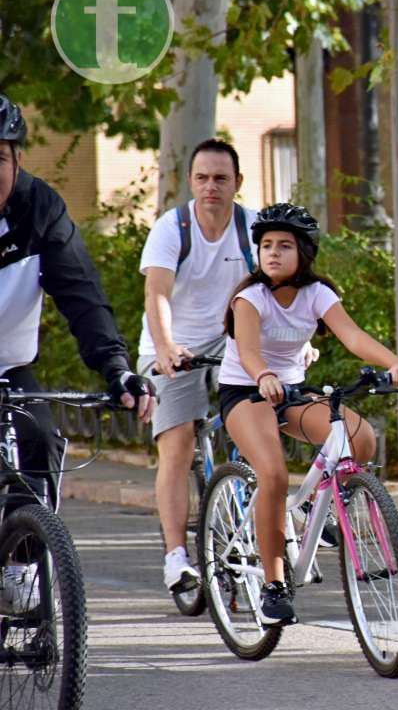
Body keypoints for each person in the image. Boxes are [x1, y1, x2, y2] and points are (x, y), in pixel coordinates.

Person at [216, 203, 398, 625]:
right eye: (266, 245)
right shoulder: (249, 298)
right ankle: (273, 585)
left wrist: (393, 363)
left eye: (284, 246)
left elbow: (353, 336)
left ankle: (316, 511)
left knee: (359, 437)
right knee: (272, 474)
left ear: (304, 252)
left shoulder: (318, 294)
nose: (272, 252)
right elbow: (249, 351)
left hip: (291, 392)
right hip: (247, 391)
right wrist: (264, 374)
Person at [0, 93, 154, 608]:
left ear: (18, 160)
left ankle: (20, 575)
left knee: (39, 438)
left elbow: (82, 295)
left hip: (10, 366)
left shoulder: (40, 210)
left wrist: (117, 369)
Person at [139, 138, 257, 595]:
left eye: (221, 179)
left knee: (258, 423)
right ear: (190, 182)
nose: (211, 187)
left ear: (237, 184)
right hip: (173, 341)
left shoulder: (251, 227)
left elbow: (276, 290)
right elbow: (158, 294)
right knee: (178, 442)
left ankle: (243, 514)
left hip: (232, 340)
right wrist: (166, 345)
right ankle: (176, 557)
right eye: (203, 178)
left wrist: (297, 344)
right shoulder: (172, 228)